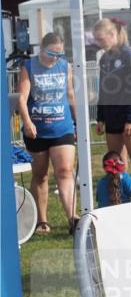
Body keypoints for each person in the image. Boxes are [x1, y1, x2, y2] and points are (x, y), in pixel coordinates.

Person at [17, 32, 78, 234]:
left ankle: (72, 217)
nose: (55, 57)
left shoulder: (65, 67)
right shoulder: (29, 67)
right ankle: (41, 220)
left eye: (59, 54)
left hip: (62, 127)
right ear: (42, 49)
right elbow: (22, 98)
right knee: (40, 175)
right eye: (52, 53)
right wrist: (27, 122)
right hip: (37, 130)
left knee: (65, 171)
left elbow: (70, 94)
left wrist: (77, 122)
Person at [92, 18, 131, 199]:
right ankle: (121, 203)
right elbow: (103, 89)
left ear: (112, 34)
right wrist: (100, 117)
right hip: (112, 118)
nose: (99, 43)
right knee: (117, 165)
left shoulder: (129, 54)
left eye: (101, 39)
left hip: (129, 119)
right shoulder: (104, 58)